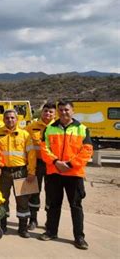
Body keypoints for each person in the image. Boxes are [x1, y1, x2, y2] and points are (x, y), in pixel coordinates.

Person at [39, 100, 93, 250]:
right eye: (61, 110)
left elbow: (87, 151)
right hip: (54, 173)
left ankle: (79, 237)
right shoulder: (50, 128)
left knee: (75, 206)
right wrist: (56, 162)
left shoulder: (82, 129)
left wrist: (69, 165)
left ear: (73, 111)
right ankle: (51, 231)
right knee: (54, 205)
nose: (63, 112)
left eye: (66, 110)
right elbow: (44, 149)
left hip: (74, 174)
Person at [0, 109, 36, 238]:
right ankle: (3, 226)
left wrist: (31, 172)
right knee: (2, 200)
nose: (10, 120)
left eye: (12, 118)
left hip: (21, 172)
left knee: (23, 201)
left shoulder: (25, 135)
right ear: (3, 119)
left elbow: (32, 155)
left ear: (17, 119)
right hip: (3, 172)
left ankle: (23, 228)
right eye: (7, 118)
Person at [25, 102, 56, 230]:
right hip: (36, 164)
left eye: (51, 112)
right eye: (45, 111)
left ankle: (49, 221)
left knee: (51, 193)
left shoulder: (57, 127)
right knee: (33, 192)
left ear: (55, 114)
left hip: (52, 165)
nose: (47, 113)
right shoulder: (31, 127)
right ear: (41, 112)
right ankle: (33, 219)